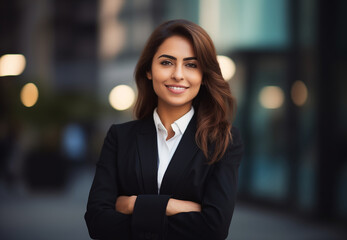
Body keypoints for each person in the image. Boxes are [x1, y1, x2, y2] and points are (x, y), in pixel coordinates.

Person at [85, 19, 243, 240]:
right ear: (149, 70)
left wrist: (132, 203)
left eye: (191, 65)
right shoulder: (120, 138)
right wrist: (179, 207)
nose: (178, 74)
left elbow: (214, 228)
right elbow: (97, 223)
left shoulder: (223, 140)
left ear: (204, 76)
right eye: (167, 62)